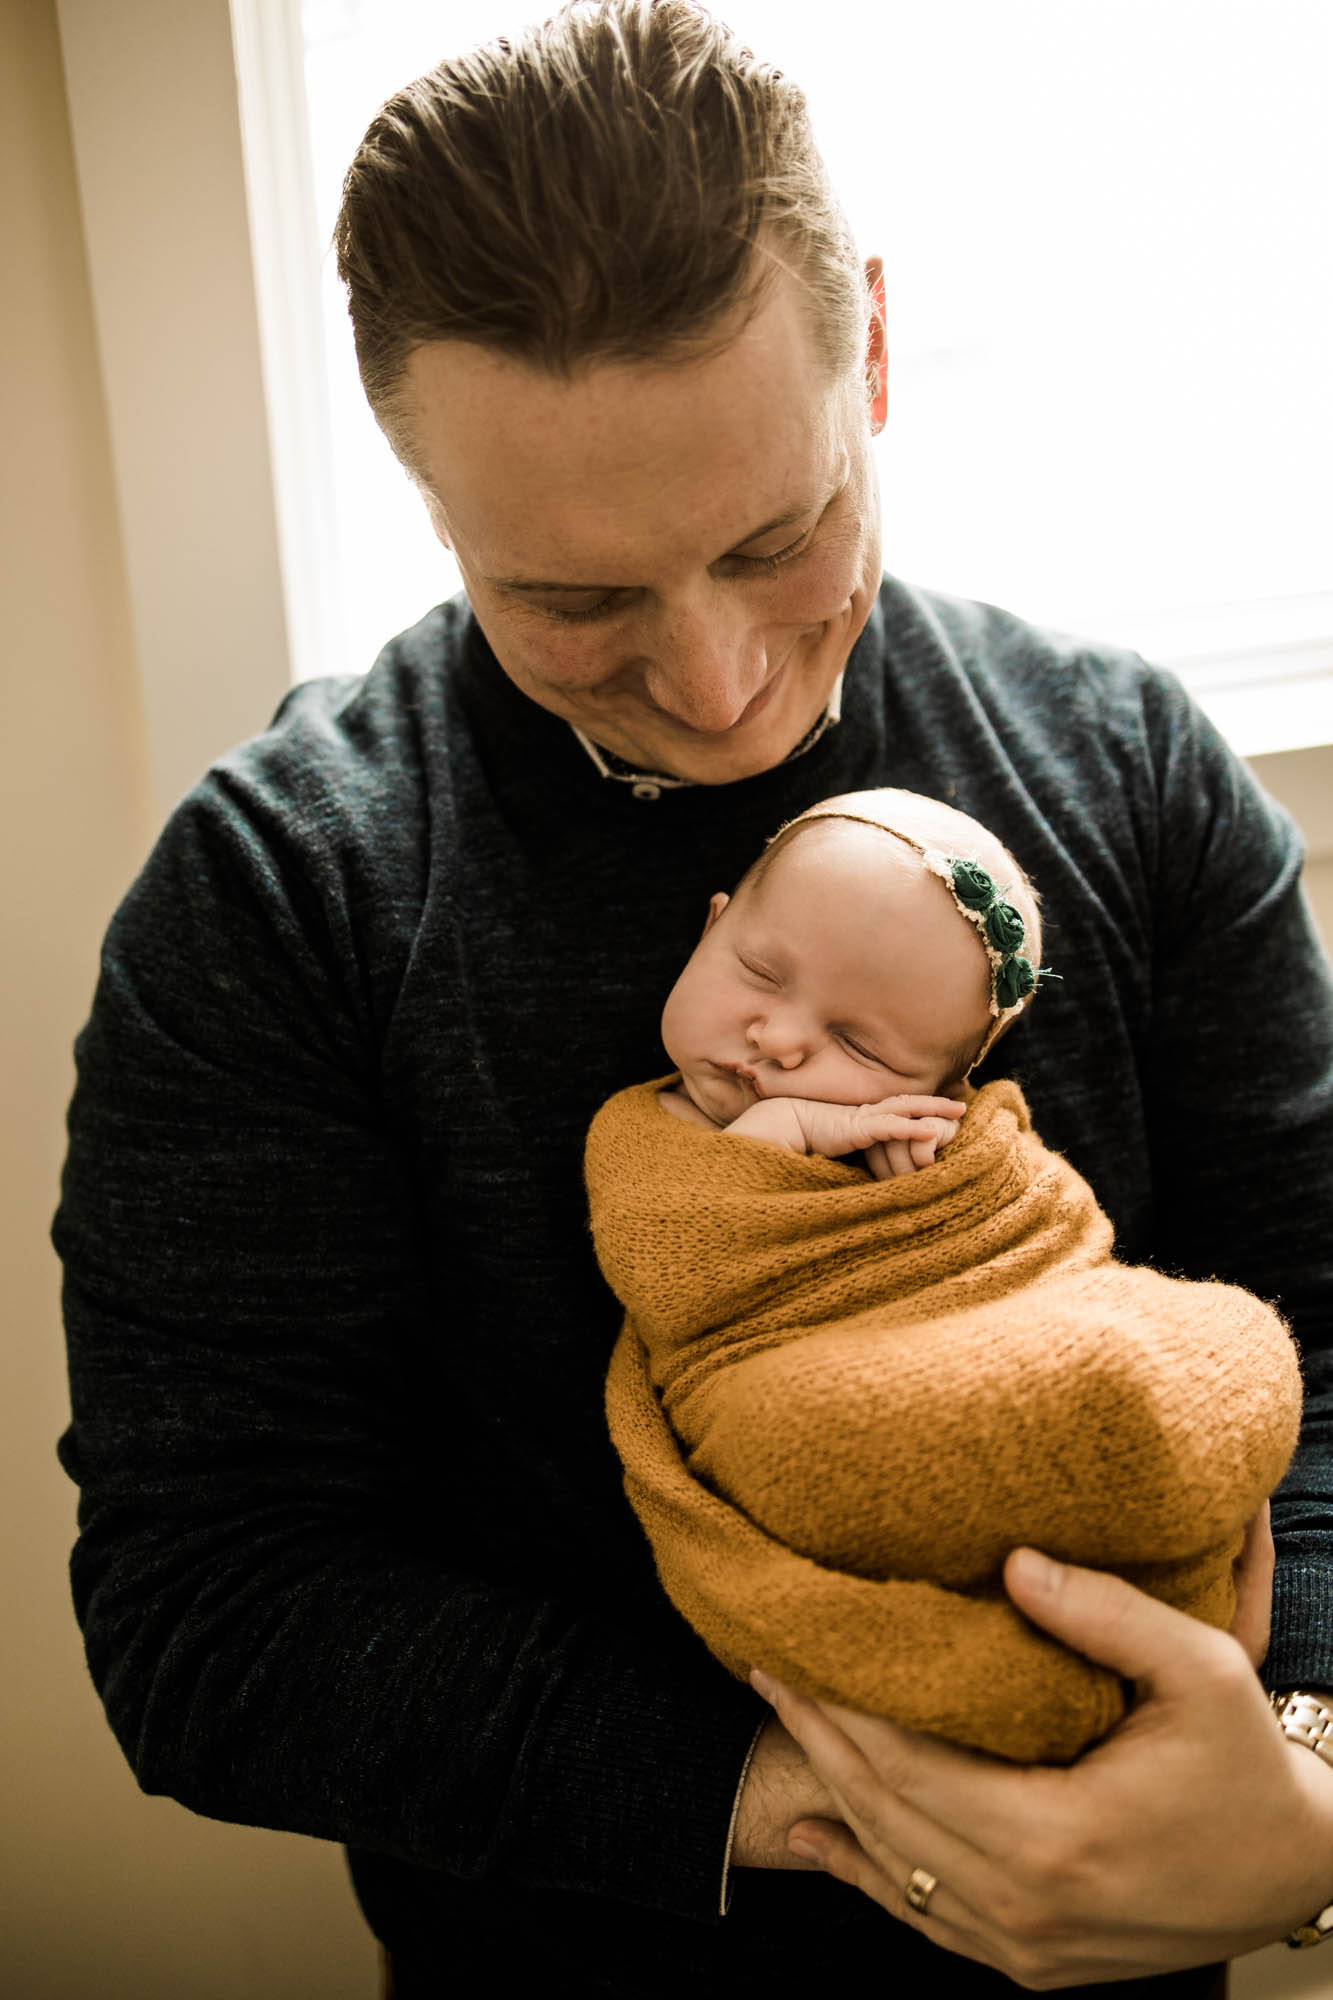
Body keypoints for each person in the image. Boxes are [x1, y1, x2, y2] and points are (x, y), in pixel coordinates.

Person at [51, 2, 1333, 1993]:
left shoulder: (1130, 769)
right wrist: (826, 1803)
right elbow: (208, 1607)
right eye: (574, 599)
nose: (726, 682)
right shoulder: (280, 894)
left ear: (877, 348)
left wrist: (1299, 1771)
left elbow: (1321, 1325)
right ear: (429, 492)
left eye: (778, 535)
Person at [585, 787, 1303, 1767]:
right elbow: (671, 1270)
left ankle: (1128, 1465)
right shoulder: (644, 1127)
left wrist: (965, 1165)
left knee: (1232, 1329)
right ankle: (1105, 1493)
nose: (781, 1038)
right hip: (780, 1367)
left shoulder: (945, 1125)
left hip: (990, 1335)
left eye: (859, 1044)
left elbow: (1055, 1245)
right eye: (758, 970)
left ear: (937, 1079)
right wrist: (781, 1135)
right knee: (813, 1439)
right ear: (712, 927)